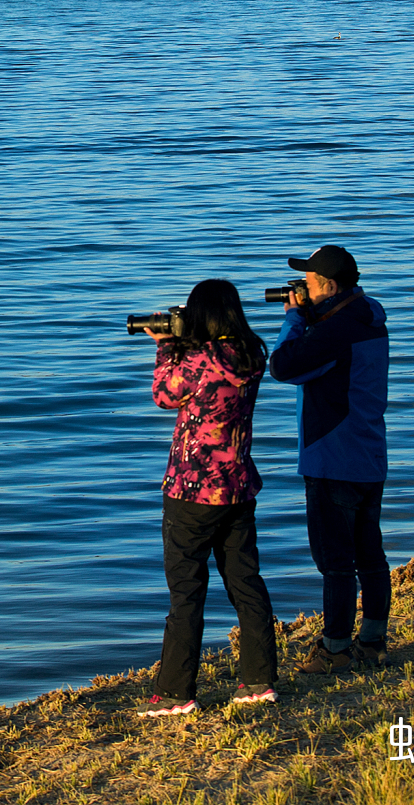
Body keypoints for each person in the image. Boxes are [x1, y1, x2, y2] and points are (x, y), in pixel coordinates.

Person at [136, 279, 281, 716]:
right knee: (246, 583)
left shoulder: (198, 360)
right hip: (237, 487)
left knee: (186, 592)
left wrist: (166, 347)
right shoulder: (252, 354)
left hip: (192, 491)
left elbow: (163, 395)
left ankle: (177, 693)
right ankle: (258, 681)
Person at [270, 244, 392, 673]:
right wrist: (312, 316)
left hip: (332, 456)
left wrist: (293, 318)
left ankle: (335, 650)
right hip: (369, 451)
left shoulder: (335, 332)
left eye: (308, 284)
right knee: (370, 554)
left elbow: (283, 366)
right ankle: (373, 641)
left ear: (330, 285)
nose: (302, 290)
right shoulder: (368, 317)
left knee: (336, 562)